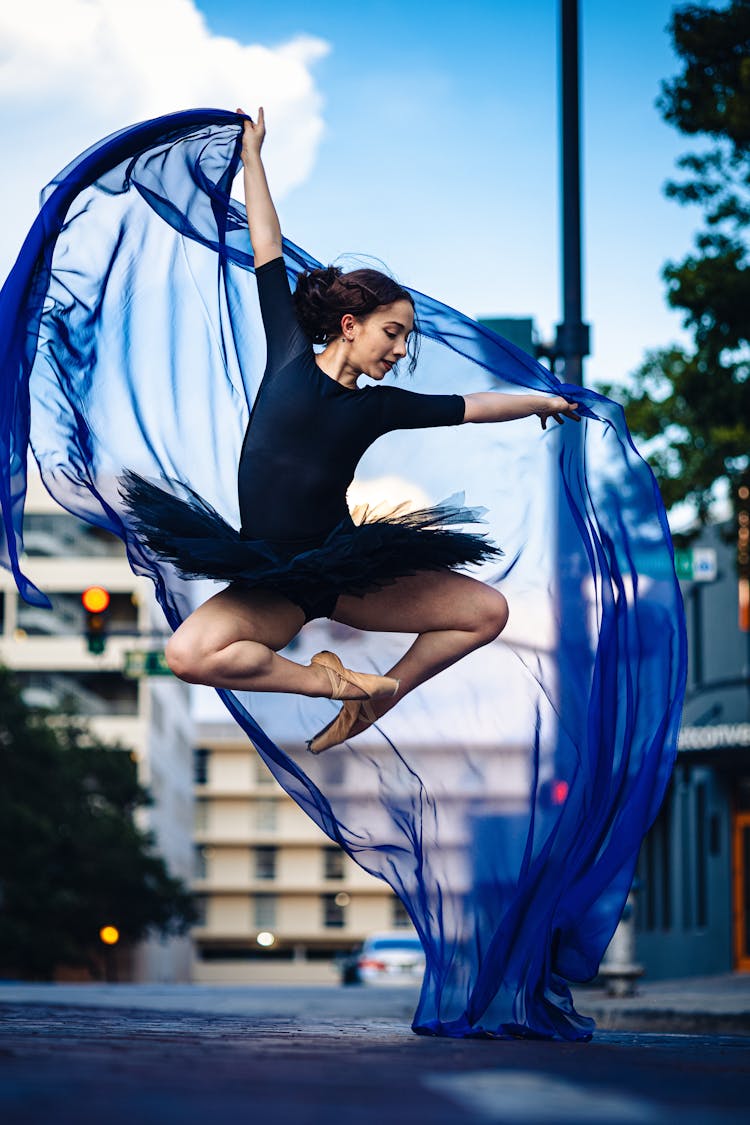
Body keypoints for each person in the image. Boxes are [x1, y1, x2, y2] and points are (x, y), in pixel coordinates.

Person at [122, 107, 580, 753]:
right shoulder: (286, 351)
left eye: (405, 339)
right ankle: (329, 685)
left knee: (486, 612)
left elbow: (474, 404)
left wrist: (544, 401)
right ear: (349, 324)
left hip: (339, 573)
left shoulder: (378, 407)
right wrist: (253, 156)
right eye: (392, 333)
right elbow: (266, 247)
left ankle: (376, 701)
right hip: (271, 581)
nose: (398, 350)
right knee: (189, 655)